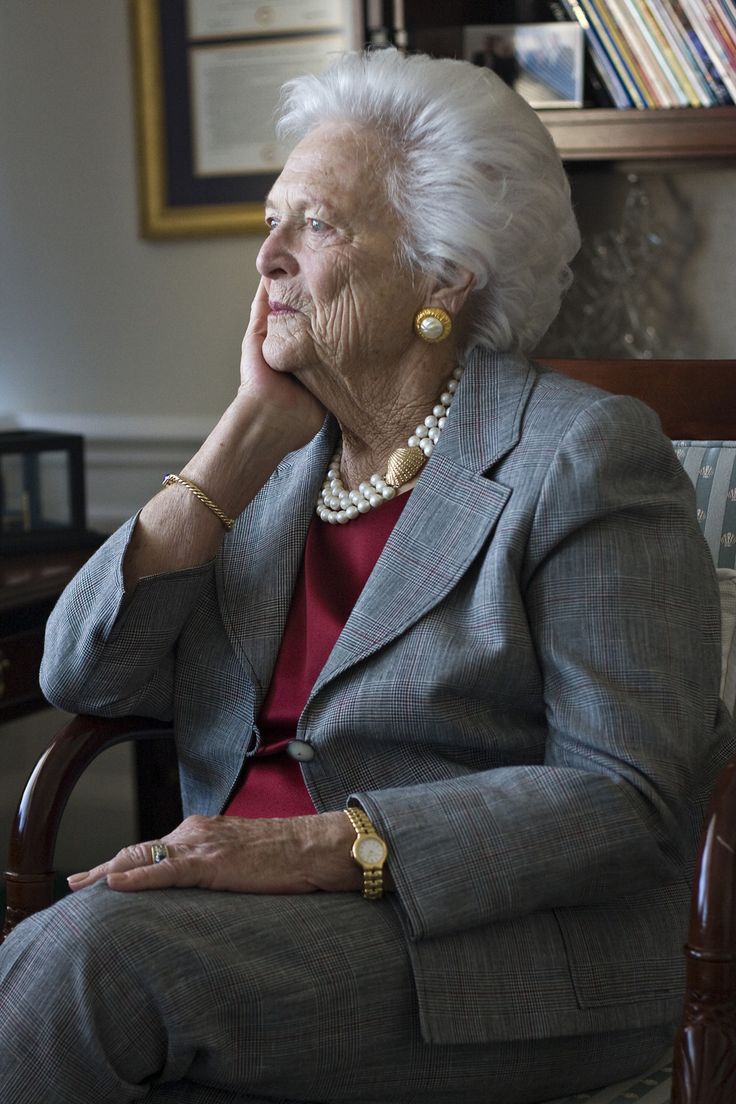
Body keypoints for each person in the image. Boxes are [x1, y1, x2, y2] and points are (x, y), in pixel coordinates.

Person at [1, 47, 732, 1104]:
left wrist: (307, 847)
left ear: (443, 273)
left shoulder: (578, 455)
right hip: (229, 929)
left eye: (317, 225)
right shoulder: (279, 467)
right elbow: (85, 675)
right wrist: (241, 436)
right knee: (93, 965)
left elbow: (624, 800)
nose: (267, 260)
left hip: (482, 955)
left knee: (87, 965)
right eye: (269, 220)